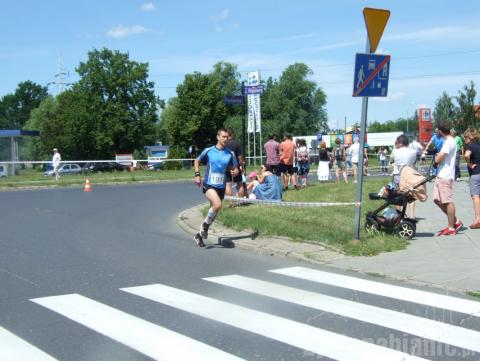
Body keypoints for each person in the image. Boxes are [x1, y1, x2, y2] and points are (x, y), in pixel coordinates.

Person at [193, 128, 239, 247]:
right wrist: (197, 175)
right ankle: (204, 227)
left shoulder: (230, 153)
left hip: (221, 186)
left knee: (214, 211)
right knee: (218, 205)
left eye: (227, 137)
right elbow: (196, 161)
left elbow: (234, 168)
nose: (225, 139)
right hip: (209, 184)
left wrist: (235, 172)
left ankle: (199, 235)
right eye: (223, 136)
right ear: (217, 137)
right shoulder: (209, 150)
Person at [433, 123, 462, 236]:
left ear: (440, 131)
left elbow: (440, 156)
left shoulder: (449, 141)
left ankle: (451, 227)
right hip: (441, 174)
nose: (436, 132)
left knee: (448, 201)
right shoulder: (448, 141)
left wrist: (435, 161)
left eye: (437, 130)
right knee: (437, 200)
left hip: (445, 175)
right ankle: (455, 221)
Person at [463, 128, 480, 229]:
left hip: (475, 174)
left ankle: (478, 219)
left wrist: (469, 164)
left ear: (471, 137)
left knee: (475, 196)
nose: (464, 139)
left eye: (466, 137)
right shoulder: (478, 145)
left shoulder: (471, 146)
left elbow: (466, 155)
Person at [225, 128, 245, 205]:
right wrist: (242, 166)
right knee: (239, 184)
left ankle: (230, 203)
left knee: (228, 185)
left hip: (227, 167)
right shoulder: (236, 144)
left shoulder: (224, 144)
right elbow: (240, 157)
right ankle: (240, 201)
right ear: (232, 134)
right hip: (236, 166)